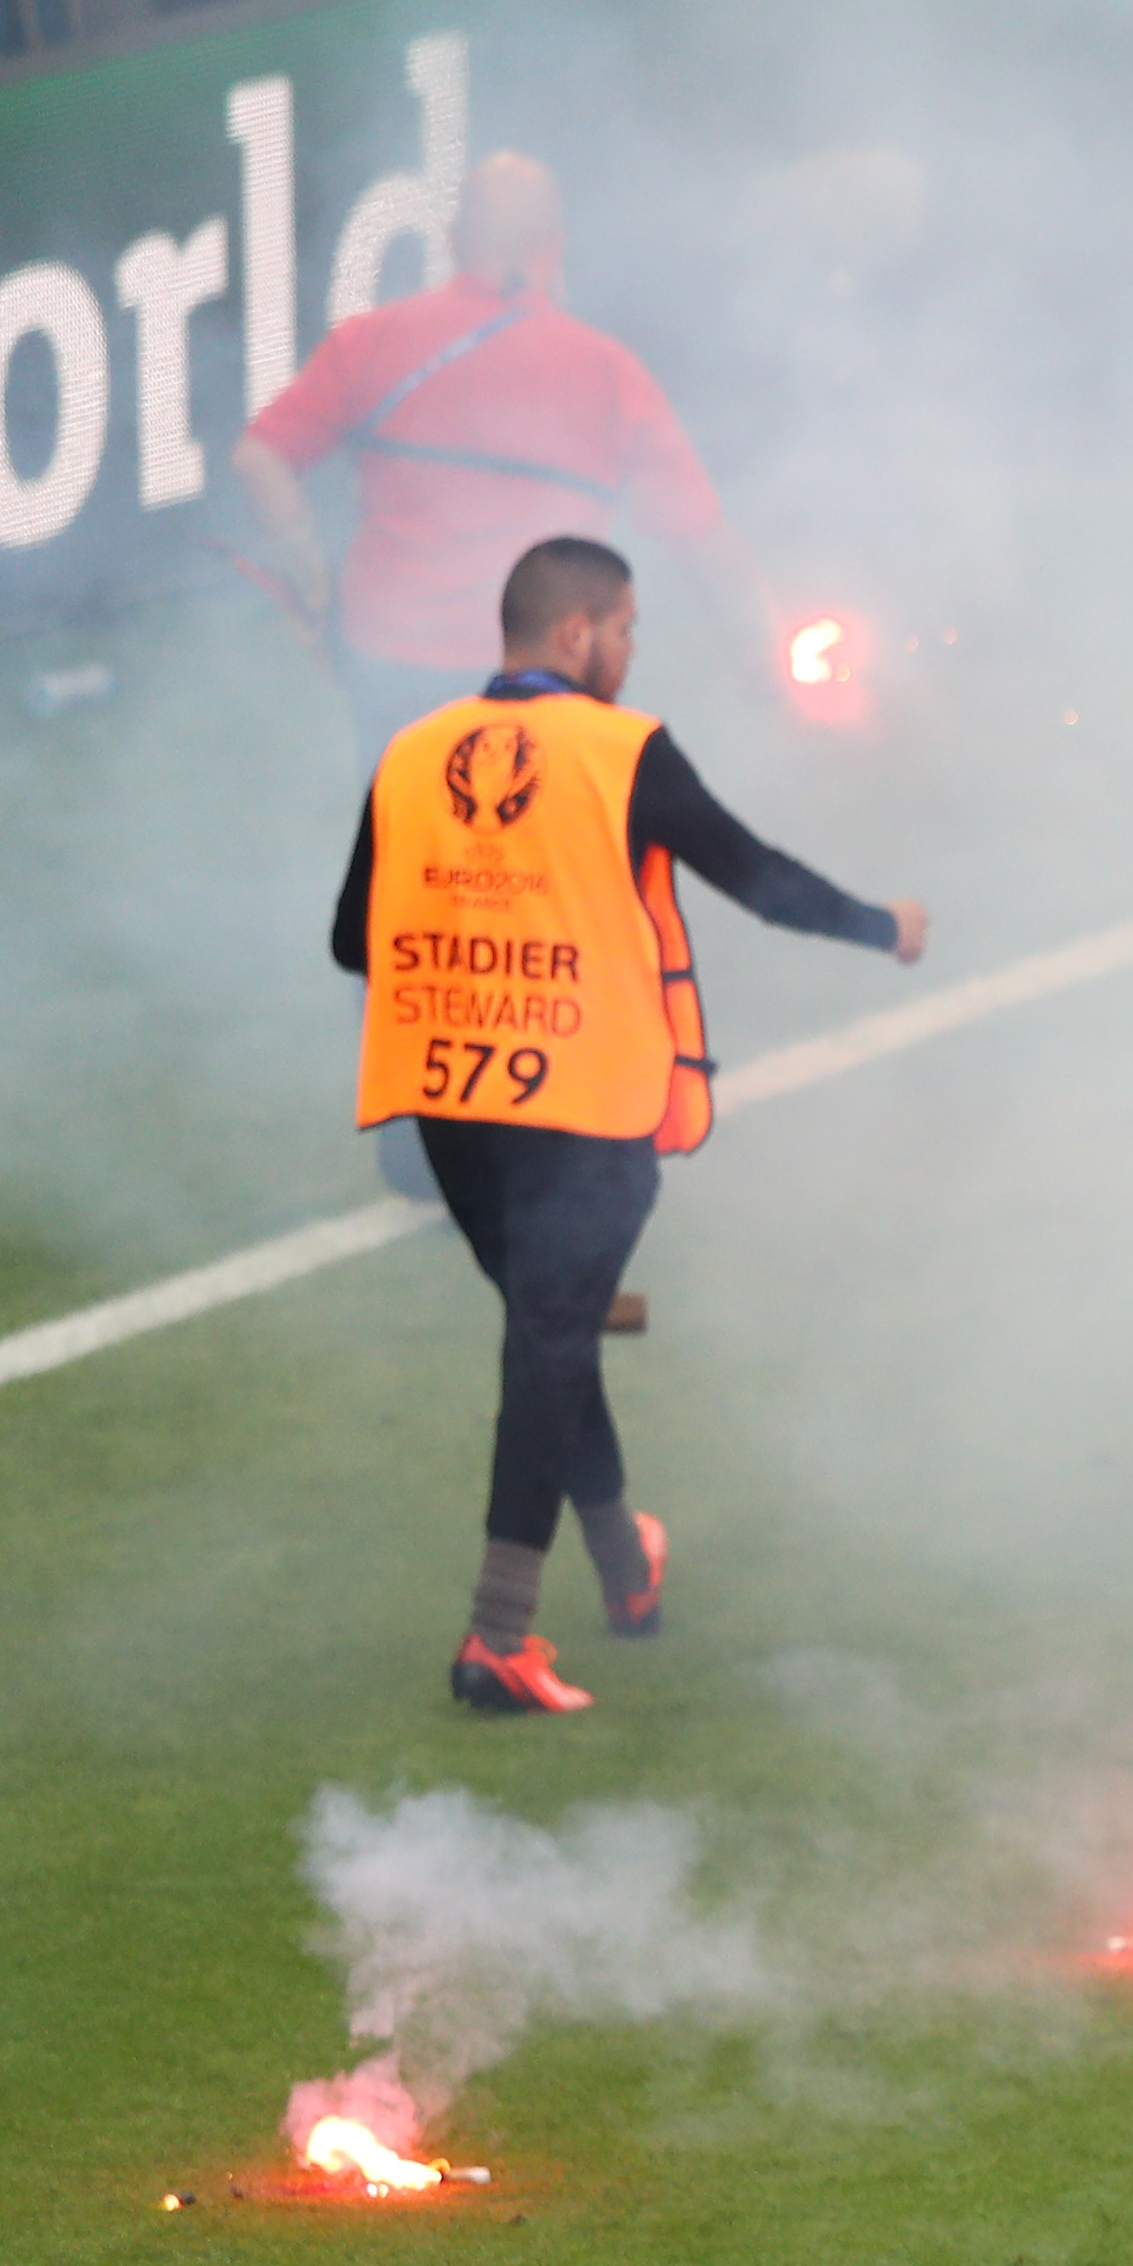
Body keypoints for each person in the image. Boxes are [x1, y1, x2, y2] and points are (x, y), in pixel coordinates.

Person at [335, 534, 924, 1716]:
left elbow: (355, 940)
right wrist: (884, 926)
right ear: (575, 634)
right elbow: (754, 881)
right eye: (627, 629)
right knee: (549, 1340)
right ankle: (499, 1634)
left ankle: (623, 1566)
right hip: (588, 1104)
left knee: (552, 1331)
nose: (631, 649)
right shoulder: (623, 751)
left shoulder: (411, 752)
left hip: (451, 1105)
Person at [238, 154, 754, 769]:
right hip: (549, 671)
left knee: (413, 849)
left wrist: (318, 592)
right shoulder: (606, 369)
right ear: (555, 247)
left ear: (455, 244)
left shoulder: (369, 341)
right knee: (541, 851)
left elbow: (257, 459)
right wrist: (775, 676)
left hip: (393, 666)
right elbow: (703, 539)